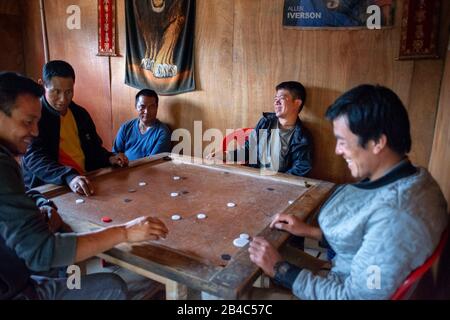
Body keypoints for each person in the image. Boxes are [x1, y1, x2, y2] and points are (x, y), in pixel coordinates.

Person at [248, 84, 448, 299]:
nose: (337, 150)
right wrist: (310, 232)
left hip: (338, 284)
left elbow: (354, 296)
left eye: (343, 141)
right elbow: (369, 240)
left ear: (378, 142)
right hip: (342, 267)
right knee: (262, 253)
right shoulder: (416, 179)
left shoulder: (396, 216)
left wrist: (281, 270)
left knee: (242, 293)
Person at [0, 72, 169, 300]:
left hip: (16, 269)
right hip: (15, 289)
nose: (35, 131)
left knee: (67, 264)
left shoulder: (78, 114)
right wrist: (125, 232)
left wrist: (42, 203)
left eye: (68, 91)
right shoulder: (3, 164)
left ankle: (71, 282)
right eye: (27, 122)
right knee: (112, 285)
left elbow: (22, 195)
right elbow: (42, 252)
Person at [21, 60, 128, 196]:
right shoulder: (35, 117)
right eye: (56, 92)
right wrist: (69, 176)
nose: (63, 99)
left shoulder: (80, 114)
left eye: (68, 92)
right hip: (51, 187)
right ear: (42, 85)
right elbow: (34, 158)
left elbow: (93, 149)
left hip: (84, 180)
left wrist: (109, 158)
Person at [210, 81, 312, 177]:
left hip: (279, 186)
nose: (276, 102)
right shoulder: (265, 122)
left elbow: (301, 168)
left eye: (282, 98)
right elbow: (248, 150)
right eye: (275, 98)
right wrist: (225, 155)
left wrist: (277, 181)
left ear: (297, 103)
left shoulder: (302, 136)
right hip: (254, 178)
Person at [113, 89, 171, 160]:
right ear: (136, 106)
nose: (147, 111)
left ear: (156, 108)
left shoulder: (162, 132)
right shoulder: (126, 127)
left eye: (151, 107)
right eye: (142, 107)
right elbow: (115, 155)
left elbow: (153, 163)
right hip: (123, 169)